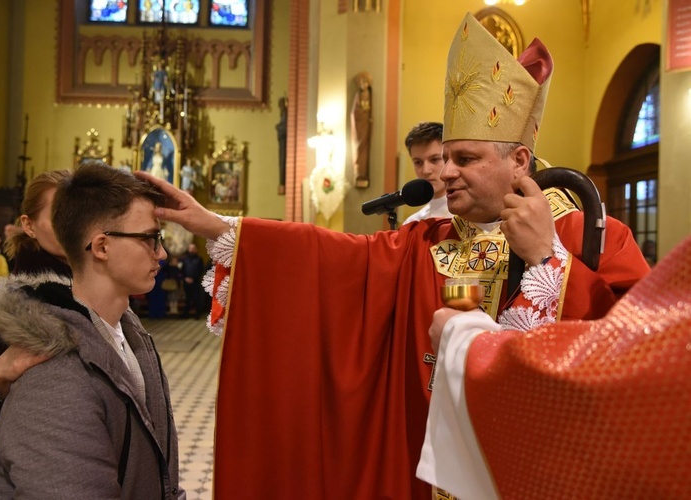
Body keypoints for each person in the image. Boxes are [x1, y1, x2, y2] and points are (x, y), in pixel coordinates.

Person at [133, 12, 649, 499]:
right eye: (445, 158)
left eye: (464, 159)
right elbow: (336, 262)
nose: (444, 174)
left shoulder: (589, 233)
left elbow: (640, 356)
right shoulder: (434, 240)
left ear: (518, 160)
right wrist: (223, 227)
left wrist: (548, 261)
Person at [418, 233, 691, 498]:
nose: (445, 181)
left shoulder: (586, 229)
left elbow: (633, 362)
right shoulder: (430, 234)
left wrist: (466, 343)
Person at [0, 161, 183, 498]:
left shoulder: (127, 331)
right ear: (100, 247)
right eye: (149, 238)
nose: (162, 252)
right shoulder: (54, 366)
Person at [0, 169, 73, 431]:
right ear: (28, 225)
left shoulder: (92, 284)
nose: (71, 226)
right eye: (58, 216)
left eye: (77, 215)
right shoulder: (17, 301)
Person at [402, 122, 451, 225]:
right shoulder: (412, 223)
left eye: (434, 160)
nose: (426, 171)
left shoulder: (470, 218)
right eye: (418, 162)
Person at [350, 71, 372, 188]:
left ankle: (362, 173)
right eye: (363, 82)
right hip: (359, 126)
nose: (365, 85)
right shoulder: (359, 94)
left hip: (365, 125)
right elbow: (354, 112)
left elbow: (368, 108)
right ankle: (358, 173)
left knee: (364, 149)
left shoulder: (368, 93)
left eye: (366, 82)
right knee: (358, 148)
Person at [180, 242, 204, 319]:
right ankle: (186, 314)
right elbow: (182, 270)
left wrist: (194, 278)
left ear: (196, 250)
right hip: (186, 281)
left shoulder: (199, 259)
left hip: (195, 281)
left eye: (193, 248)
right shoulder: (184, 259)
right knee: (187, 298)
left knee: (196, 298)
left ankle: (197, 314)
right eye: (190, 248)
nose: (191, 250)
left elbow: (201, 270)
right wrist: (185, 278)